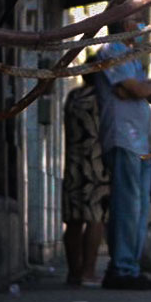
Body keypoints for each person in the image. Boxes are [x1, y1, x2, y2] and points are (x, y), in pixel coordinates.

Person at [95, 15, 151, 290]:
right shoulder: (112, 51)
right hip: (123, 139)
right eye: (137, 20)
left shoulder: (131, 57)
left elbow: (144, 93)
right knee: (127, 207)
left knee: (138, 208)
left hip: (138, 143)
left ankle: (130, 266)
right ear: (125, 24)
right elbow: (140, 90)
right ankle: (122, 268)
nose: (141, 27)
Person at [61, 79, 108, 286]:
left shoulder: (73, 97)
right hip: (96, 163)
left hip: (73, 161)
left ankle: (73, 272)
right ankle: (88, 271)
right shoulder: (102, 98)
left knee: (73, 218)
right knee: (95, 217)